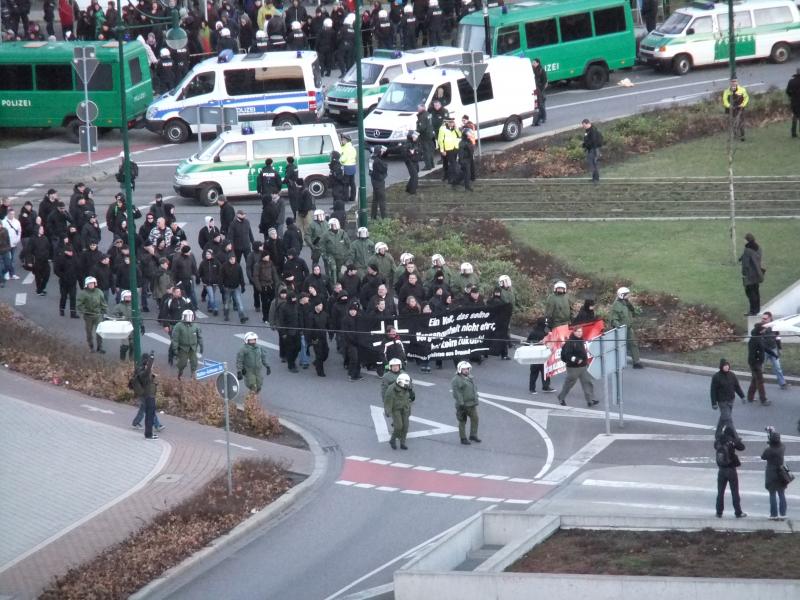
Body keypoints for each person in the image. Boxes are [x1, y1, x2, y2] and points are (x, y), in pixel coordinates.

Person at [557, 324, 598, 407]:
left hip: (583, 366)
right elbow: (567, 355)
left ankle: (590, 400)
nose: (580, 333)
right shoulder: (570, 342)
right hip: (573, 368)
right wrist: (576, 360)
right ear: (574, 332)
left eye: (581, 331)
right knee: (569, 384)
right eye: (578, 331)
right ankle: (561, 397)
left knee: (587, 382)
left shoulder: (580, 340)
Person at [714, 424, 746, 519]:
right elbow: (742, 447)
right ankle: (738, 512)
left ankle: (719, 512)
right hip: (731, 469)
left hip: (721, 470)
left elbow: (715, 446)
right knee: (734, 492)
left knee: (720, 492)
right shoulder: (732, 441)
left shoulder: (719, 441)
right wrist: (736, 439)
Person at [130, 351, 163, 439]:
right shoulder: (143, 371)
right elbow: (146, 374)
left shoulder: (141, 369)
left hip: (146, 394)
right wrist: (151, 359)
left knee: (147, 411)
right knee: (149, 413)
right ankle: (152, 430)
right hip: (147, 395)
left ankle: (153, 427)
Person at [609, 286, 643, 369]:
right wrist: (619, 327)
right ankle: (618, 363)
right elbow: (613, 319)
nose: (629, 295)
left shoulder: (626, 303)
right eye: (627, 294)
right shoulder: (616, 305)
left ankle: (636, 362)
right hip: (621, 329)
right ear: (622, 295)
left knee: (633, 344)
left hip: (628, 328)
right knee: (620, 346)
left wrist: (634, 309)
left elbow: (633, 312)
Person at [710, 358, 745, 439]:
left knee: (724, 418)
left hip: (731, 400)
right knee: (728, 420)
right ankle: (735, 437)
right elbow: (713, 391)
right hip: (722, 402)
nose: (726, 367)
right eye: (724, 366)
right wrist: (714, 403)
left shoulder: (732, 375)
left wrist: (742, 396)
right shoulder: (716, 377)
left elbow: (737, 387)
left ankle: (718, 434)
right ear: (721, 366)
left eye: (727, 365)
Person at [762, 427, 788, 519]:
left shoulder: (769, 450)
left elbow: (763, 457)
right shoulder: (782, 447)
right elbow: (779, 443)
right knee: (781, 493)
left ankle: (774, 514)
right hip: (781, 473)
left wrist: (769, 443)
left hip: (771, 473)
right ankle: (783, 513)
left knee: (772, 494)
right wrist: (773, 433)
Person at [76, 275, 108, 353]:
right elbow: (79, 304)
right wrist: (84, 311)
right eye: (89, 284)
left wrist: (105, 312)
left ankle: (100, 347)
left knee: (99, 331)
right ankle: (91, 346)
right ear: (87, 285)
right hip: (88, 316)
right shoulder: (83, 293)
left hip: (97, 315)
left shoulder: (99, 292)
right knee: (89, 332)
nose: (91, 285)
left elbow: (103, 303)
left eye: (93, 283)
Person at [452, 361, 480, 445]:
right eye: (464, 369)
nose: (466, 371)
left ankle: (473, 435)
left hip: (472, 404)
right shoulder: (456, 380)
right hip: (463, 405)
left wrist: (476, 398)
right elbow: (457, 393)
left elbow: (474, 389)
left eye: (467, 369)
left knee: (475, 418)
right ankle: (463, 438)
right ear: (460, 370)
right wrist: (461, 404)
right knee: (462, 421)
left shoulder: (469, 377)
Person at [384, 373, 414, 450]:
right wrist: (388, 411)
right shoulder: (391, 389)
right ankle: (392, 440)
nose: (407, 385)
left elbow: (412, 397)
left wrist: (411, 392)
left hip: (405, 409)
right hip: (396, 409)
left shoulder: (407, 387)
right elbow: (388, 401)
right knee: (398, 426)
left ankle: (402, 443)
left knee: (405, 426)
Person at [170, 309, 203, 380]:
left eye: (190, 316)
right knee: (182, 363)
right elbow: (175, 338)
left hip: (193, 348)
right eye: (187, 316)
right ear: (183, 317)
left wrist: (201, 346)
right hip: (183, 348)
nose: (189, 318)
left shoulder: (195, 326)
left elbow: (199, 337)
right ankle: (180, 373)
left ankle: (193, 375)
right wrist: (175, 349)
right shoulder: (178, 326)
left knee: (194, 362)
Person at [527, 317, 555, 394]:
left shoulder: (536, 332)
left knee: (544, 371)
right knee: (536, 372)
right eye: (545, 323)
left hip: (540, 355)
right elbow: (528, 342)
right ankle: (537, 388)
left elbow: (527, 341)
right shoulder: (540, 333)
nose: (546, 325)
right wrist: (538, 342)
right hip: (538, 355)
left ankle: (542, 387)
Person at [739, 232, 765, 316]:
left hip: (749, 276)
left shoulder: (747, 250)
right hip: (757, 274)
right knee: (756, 292)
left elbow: (745, 265)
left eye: (744, 239)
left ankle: (752, 311)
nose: (743, 241)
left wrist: (743, 274)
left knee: (750, 293)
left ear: (747, 240)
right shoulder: (758, 248)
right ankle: (757, 309)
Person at [762, 312, 789, 390]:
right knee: (760, 368)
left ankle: (782, 383)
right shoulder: (761, 326)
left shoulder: (774, 326)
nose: (763, 320)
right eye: (762, 318)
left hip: (773, 349)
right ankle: (757, 384)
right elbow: (756, 336)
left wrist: (779, 348)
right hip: (764, 350)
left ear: (770, 318)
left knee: (777, 367)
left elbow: (778, 337)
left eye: (765, 318)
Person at [747, 322, 772, 406]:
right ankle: (763, 400)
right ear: (761, 330)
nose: (765, 330)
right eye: (764, 329)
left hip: (758, 362)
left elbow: (764, 348)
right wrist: (756, 364)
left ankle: (750, 397)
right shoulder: (754, 339)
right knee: (760, 381)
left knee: (755, 380)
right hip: (755, 363)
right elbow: (751, 354)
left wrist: (774, 354)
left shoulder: (759, 337)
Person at [370, 145, 389, 219]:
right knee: (382, 200)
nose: (383, 153)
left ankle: (373, 216)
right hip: (379, 181)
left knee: (375, 199)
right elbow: (384, 168)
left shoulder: (372, 159)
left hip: (374, 180)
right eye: (382, 151)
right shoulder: (378, 161)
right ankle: (384, 217)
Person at [581, 118, 602, 183]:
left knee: (593, 164)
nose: (583, 127)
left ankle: (596, 178)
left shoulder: (593, 131)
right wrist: (584, 145)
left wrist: (586, 145)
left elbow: (593, 141)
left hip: (593, 149)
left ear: (588, 123)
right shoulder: (587, 131)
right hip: (590, 149)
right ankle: (594, 178)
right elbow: (587, 139)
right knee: (592, 164)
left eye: (584, 125)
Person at [416, 104, 435, 171]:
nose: (417, 109)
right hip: (430, 135)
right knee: (430, 150)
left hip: (424, 136)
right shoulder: (428, 114)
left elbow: (422, 127)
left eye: (418, 108)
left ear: (423, 108)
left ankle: (428, 166)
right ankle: (432, 164)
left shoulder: (422, 116)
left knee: (426, 151)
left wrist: (416, 132)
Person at [340, 134, 357, 203]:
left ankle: (345, 198)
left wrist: (340, 159)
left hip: (346, 167)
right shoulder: (352, 148)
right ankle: (353, 197)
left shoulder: (345, 149)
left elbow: (343, 159)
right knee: (352, 183)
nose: (341, 141)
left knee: (345, 184)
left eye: (342, 140)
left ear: (346, 140)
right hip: (353, 167)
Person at [402, 130, 420, 194]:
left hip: (415, 160)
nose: (416, 138)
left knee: (415, 174)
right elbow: (406, 154)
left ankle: (408, 187)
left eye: (416, 137)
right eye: (414, 137)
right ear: (410, 137)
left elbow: (418, 150)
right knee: (415, 176)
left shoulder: (415, 142)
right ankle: (412, 191)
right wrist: (413, 152)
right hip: (410, 161)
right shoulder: (407, 144)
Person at [532, 58, 547, 126]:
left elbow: (544, 81)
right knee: (537, 104)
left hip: (540, 90)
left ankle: (543, 117)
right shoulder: (533, 69)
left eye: (534, 62)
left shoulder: (541, 70)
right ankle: (539, 117)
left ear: (538, 63)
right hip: (535, 89)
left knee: (541, 104)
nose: (533, 64)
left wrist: (541, 89)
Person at [786, 68, 800, 138]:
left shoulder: (791, 81)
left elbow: (787, 91)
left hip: (794, 101)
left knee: (795, 116)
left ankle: (793, 133)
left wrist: (791, 96)